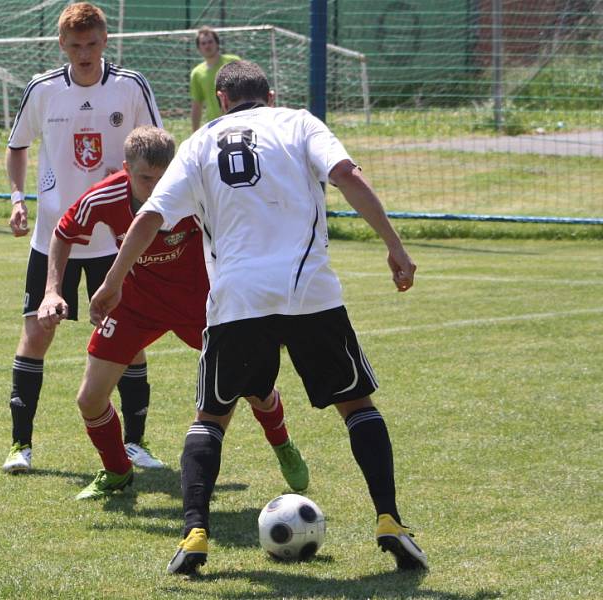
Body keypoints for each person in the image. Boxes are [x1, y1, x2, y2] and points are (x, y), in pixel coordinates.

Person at [90, 61, 428, 574]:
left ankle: (196, 534)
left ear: (221, 100)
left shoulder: (200, 143)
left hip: (237, 300)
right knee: (357, 404)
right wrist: (394, 246)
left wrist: (113, 281)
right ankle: (389, 520)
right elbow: (346, 176)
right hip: (309, 294)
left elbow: (150, 216)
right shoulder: (299, 122)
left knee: (212, 418)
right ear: (270, 95)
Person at [37, 126, 309, 500]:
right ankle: (117, 472)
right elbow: (64, 232)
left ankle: (282, 444)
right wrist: (52, 290)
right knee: (89, 398)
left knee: (255, 388)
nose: (156, 186)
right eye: (146, 178)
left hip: (199, 304)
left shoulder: (194, 192)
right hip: (134, 305)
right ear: (126, 169)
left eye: (164, 177)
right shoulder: (105, 196)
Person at [2, 2, 165, 474]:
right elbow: (17, 147)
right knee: (37, 333)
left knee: (130, 341)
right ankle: (20, 446)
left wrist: (141, 184)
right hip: (55, 237)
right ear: (62, 45)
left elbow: (157, 146)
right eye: (75, 46)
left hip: (117, 242)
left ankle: (135, 444)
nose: (84, 54)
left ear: (105, 41)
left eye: (92, 44)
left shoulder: (130, 86)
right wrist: (17, 198)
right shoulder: (44, 89)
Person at [189, 26, 240, 131]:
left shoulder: (233, 62)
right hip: (216, 126)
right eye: (203, 43)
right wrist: (195, 133)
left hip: (238, 119)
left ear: (217, 43)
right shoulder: (197, 73)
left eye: (210, 42)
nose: (207, 46)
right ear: (199, 48)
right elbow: (197, 105)